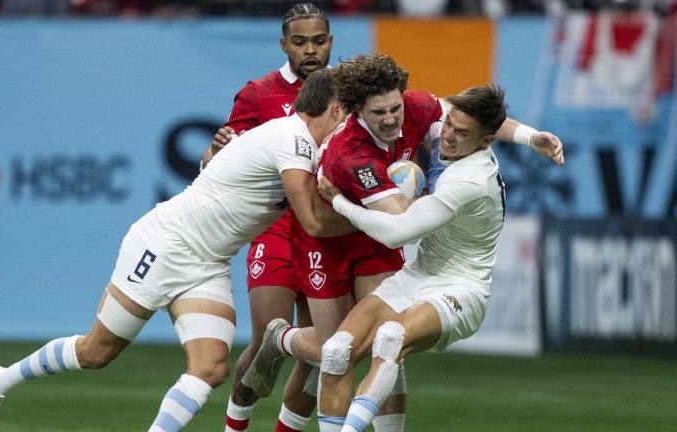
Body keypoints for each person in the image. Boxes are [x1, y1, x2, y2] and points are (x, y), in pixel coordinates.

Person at [0, 68, 351, 432]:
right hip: (165, 244)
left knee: (211, 367)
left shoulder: (302, 144)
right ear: (335, 109)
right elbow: (314, 222)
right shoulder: (293, 140)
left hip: (209, 263)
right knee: (96, 352)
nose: (349, 126)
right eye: (348, 115)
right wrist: (374, 219)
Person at [247, 54, 564, 432]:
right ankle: (283, 339)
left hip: (427, 264)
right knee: (334, 353)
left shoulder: (455, 160)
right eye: (378, 112)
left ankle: (289, 347)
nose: (391, 120)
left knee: (388, 341)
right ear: (357, 110)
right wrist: (359, 202)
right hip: (328, 239)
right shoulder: (353, 155)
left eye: (395, 108)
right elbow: (398, 218)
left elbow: (401, 226)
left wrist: (530, 137)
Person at [312, 84, 527, 432]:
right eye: (450, 124)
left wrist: (339, 202)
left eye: (462, 133)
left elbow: (398, 233)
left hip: (461, 289)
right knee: (336, 352)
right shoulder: (448, 136)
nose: (448, 136)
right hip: (419, 274)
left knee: (391, 338)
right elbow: (434, 110)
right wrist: (533, 138)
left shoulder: (470, 179)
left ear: (485, 141)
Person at [200, 4, 334, 432]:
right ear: (283, 45)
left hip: (327, 232)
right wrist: (213, 152)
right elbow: (217, 159)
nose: (310, 50)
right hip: (276, 228)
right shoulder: (259, 93)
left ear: (330, 42)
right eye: (300, 42)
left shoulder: (347, 92)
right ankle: (234, 426)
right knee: (265, 342)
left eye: (318, 41)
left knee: (323, 352)